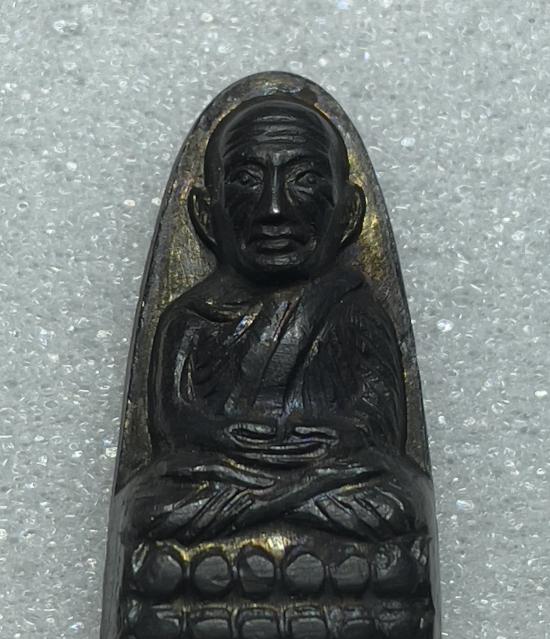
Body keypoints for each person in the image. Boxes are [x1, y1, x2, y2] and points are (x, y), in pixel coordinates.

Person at [124, 95, 432, 547]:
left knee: (399, 502)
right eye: (247, 180)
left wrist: (334, 440)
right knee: (150, 507)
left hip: (330, 478)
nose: (274, 209)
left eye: (303, 180)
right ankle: (281, 513)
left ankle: (264, 514)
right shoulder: (189, 320)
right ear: (206, 214)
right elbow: (173, 431)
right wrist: (225, 437)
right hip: (226, 475)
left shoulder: (350, 307)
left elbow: (380, 426)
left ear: (348, 212)